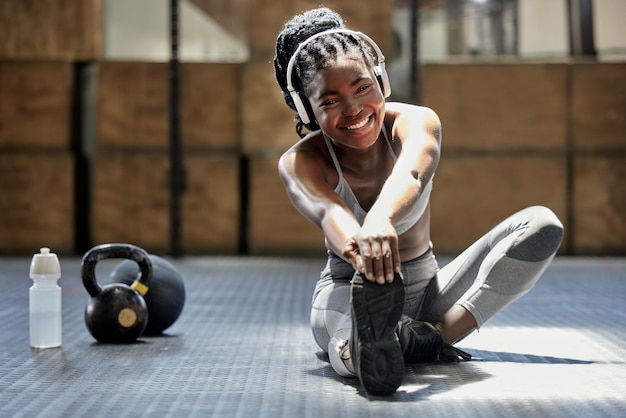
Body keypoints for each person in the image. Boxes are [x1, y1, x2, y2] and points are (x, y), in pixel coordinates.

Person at [273, 7, 564, 396]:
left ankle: (425, 338)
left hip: (428, 289)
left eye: (362, 88)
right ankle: (373, 343)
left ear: (380, 79)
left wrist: (380, 220)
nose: (354, 108)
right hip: (349, 290)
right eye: (329, 102)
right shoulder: (299, 162)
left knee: (541, 225)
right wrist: (365, 251)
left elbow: (411, 173)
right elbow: (329, 213)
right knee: (355, 345)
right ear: (307, 111)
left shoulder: (416, 121)